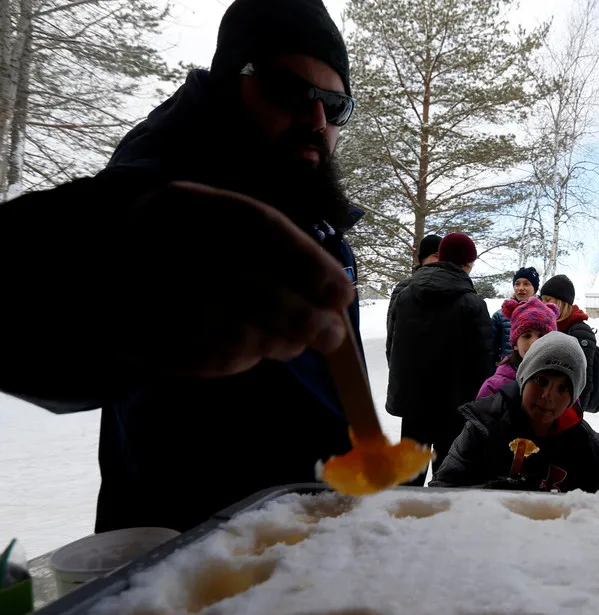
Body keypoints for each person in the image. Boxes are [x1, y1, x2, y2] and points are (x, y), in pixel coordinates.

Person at [0, 0, 365, 533]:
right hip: (186, 562)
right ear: (228, 83)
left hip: (310, 549)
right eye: (290, 91)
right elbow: (35, 287)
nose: (315, 120)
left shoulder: (319, 220)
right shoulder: (165, 199)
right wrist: (109, 270)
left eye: (335, 107)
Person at [431, 332, 599, 492]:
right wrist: (490, 492)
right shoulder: (484, 426)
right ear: (523, 378)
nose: (548, 396)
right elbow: (442, 491)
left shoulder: (586, 447)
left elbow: (588, 512)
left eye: (563, 388)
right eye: (541, 380)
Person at [386, 232, 494, 485]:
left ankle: (400, 522)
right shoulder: (473, 304)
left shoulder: (405, 296)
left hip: (413, 405)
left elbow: (393, 346)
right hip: (454, 407)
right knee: (447, 481)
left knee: (409, 479)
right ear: (468, 263)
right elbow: (483, 363)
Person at [477, 297, 559, 399]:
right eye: (527, 336)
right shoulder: (495, 387)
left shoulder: (561, 381)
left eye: (541, 336)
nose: (534, 342)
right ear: (515, 344)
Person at [539, 274, 598, 410]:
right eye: (542, 300)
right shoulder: (548, 327)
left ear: (562, 303)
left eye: (547, 300)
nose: (543, 305)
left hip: (566, 406)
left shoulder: (579, 331)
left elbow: (584, 379)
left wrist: (576, 412)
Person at [386, 234, 442, 361]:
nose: (441, 261)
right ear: (423, 258)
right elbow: (393, 337)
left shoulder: (455, 288)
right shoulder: (404, 288)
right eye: (436, 256)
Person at [491, 267, 540, 364]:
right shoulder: (500, 315)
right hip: (507, 371)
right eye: (517, 284)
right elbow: (491, 348)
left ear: (535, 289)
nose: (521, 288)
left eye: (526, 284)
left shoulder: (545, 316)